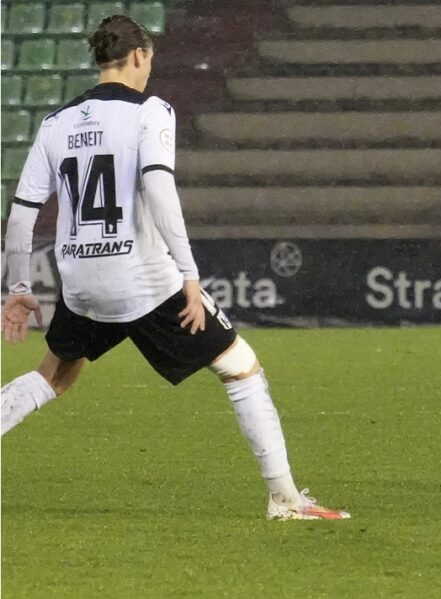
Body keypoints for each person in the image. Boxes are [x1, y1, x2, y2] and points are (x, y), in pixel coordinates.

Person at [0, 16, 349, 521]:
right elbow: (160, 191)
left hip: (79, 282)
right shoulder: (150, 111)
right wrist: (188, 274)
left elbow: (23, 213)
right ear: (139, 56)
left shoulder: (56, 124)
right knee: (240, 366)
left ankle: (288, 500)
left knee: (53, 375)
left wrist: (17, 287)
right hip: (143, 278)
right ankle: (286, 500)